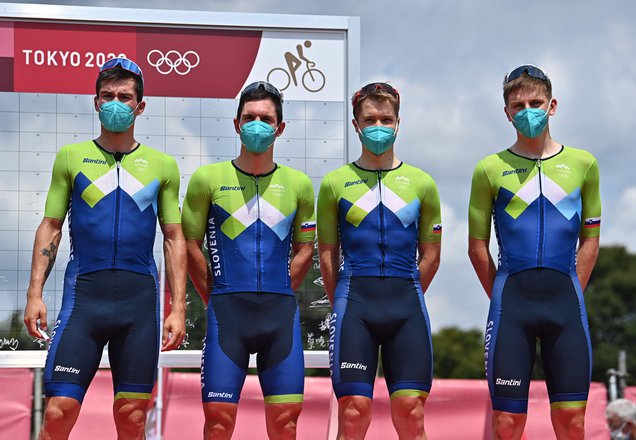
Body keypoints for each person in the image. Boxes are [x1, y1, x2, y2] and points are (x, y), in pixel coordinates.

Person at [23, 57, 187, 440]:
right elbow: (51, 226)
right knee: (58, 413)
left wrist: (179, 308)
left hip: (139, 305)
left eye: (125, 96)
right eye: (108, 95)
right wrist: (35, 295)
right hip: (84, 301)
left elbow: (174, 236)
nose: (116, 102)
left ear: (140, 106)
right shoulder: (71, 156)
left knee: (131, 420)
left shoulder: (162, 165)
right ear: (96, 102)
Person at [468, 64, 601, 440]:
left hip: (566, 305)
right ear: (507, 112)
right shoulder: (489, 169)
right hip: (512, 307)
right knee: (507, 426)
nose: (528, 111)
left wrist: (573, 286)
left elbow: (590, 240)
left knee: (573, 425)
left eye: (536, 102)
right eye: (518, 104)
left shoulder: (584, 164)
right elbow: (476, 247)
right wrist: (502, 296)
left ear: (552, 105)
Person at [181, 80, 315, 440]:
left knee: (286, 426)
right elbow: (189, 244)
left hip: (279, 316)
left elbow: (306, 248)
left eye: (266, 118)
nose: (258, 124)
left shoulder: (299, 184)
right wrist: (215, 294)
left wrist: (282, 288)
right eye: (250, 117)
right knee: (219, 425)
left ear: (280, 127)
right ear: (237, 123)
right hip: (227, 315)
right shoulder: (207, 179)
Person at [317, 82, 442, 439]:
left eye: (386, 120)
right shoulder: (334, 183)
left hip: (406, 304)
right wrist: (342, 299)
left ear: (398, 123)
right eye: (370, 120)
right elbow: (327, 254)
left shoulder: (422, 182)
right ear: (355, 125)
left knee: (411, 411)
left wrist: (408, 288)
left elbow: (431, 253)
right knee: (354, 413)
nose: (378, 127)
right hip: (354, 304)